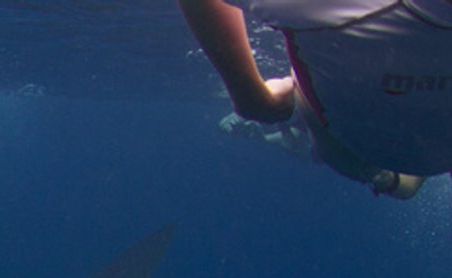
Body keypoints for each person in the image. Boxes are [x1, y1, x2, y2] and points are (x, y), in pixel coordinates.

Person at [179, 0, 452, 198]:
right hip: (355, 143)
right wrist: (252, 99)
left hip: (352, 139)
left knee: (393, 178)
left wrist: (253, 98)